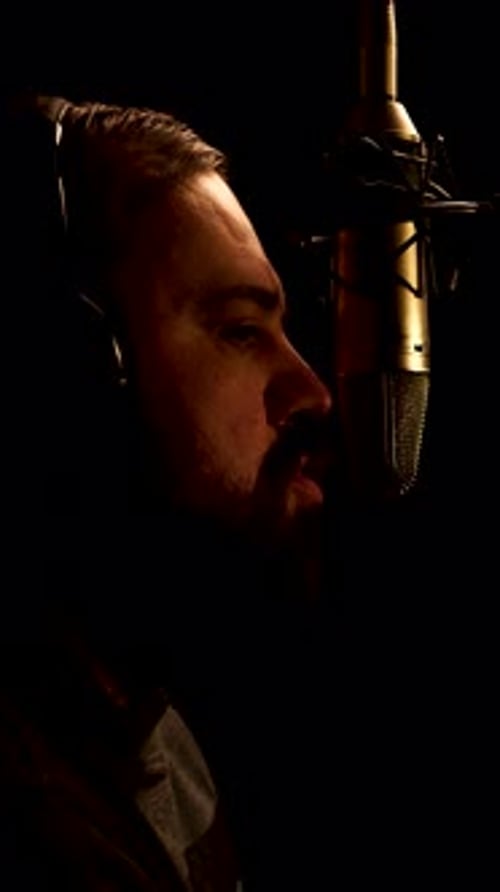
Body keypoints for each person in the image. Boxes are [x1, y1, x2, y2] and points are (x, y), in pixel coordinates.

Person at [1, 93, 335, 891]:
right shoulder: (37, 817)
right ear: (82, 371)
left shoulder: (161, 753)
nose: (313, 393)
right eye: (239, 330)